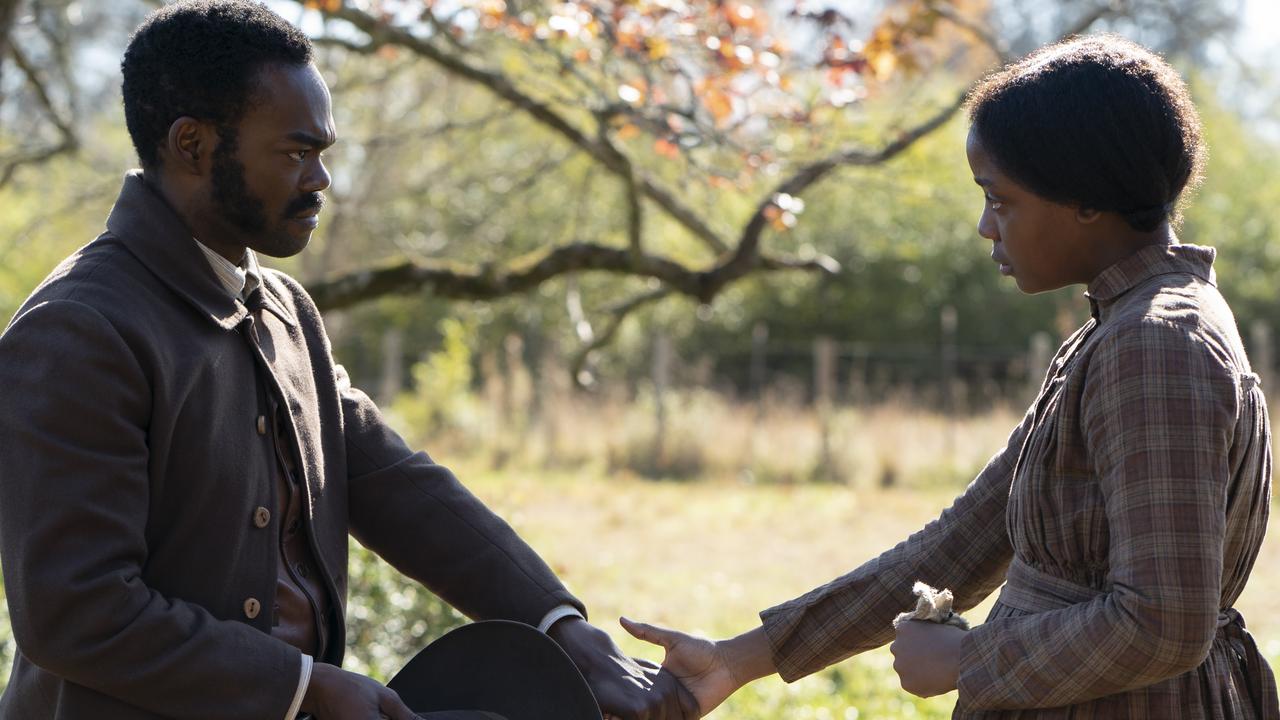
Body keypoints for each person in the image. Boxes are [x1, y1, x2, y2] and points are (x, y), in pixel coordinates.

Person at [0, 2, 696, 719]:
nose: (321, 179)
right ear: (192, 145)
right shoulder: (78, 331)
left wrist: (563, 629)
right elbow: (76, 613)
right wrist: (304, 687)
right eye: (297, 152)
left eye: (323, 153)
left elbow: (393, 482)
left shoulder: (285, 311)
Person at [621, 34, 1279, 719]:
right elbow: (964, 541)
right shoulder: (1116, 332)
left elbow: (1163, 623)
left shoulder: (1157, 343)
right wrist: (740, 657)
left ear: (1086, 198)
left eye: (1000, 199)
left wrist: (970, 659)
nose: (984, 226)